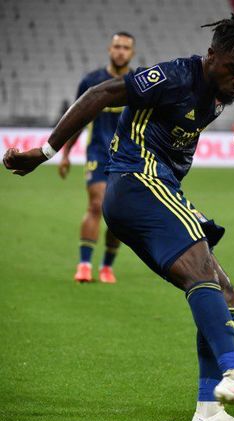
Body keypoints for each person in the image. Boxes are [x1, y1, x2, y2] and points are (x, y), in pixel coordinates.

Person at [3, 15, 234, 421]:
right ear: (211, 57)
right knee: (203, 273)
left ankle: (209, 412)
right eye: (232, 70)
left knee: (222, 292)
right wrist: (45, 151)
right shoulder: (172, 77)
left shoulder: (232, 77)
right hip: (137, 180)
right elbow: (101, 93)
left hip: (158, 187)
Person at [58, 32, 136, 283]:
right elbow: (77, 119)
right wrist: (66, 154)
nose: (121, 51)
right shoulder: (91, 82)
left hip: (128, 158)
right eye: (117, 46)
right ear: (109, 49)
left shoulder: (139, 82)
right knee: (95, 205)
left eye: (125, 47)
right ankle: (84, 265)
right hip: (98, 154)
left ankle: (106, 267)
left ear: (132, 53)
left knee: (119, 215)